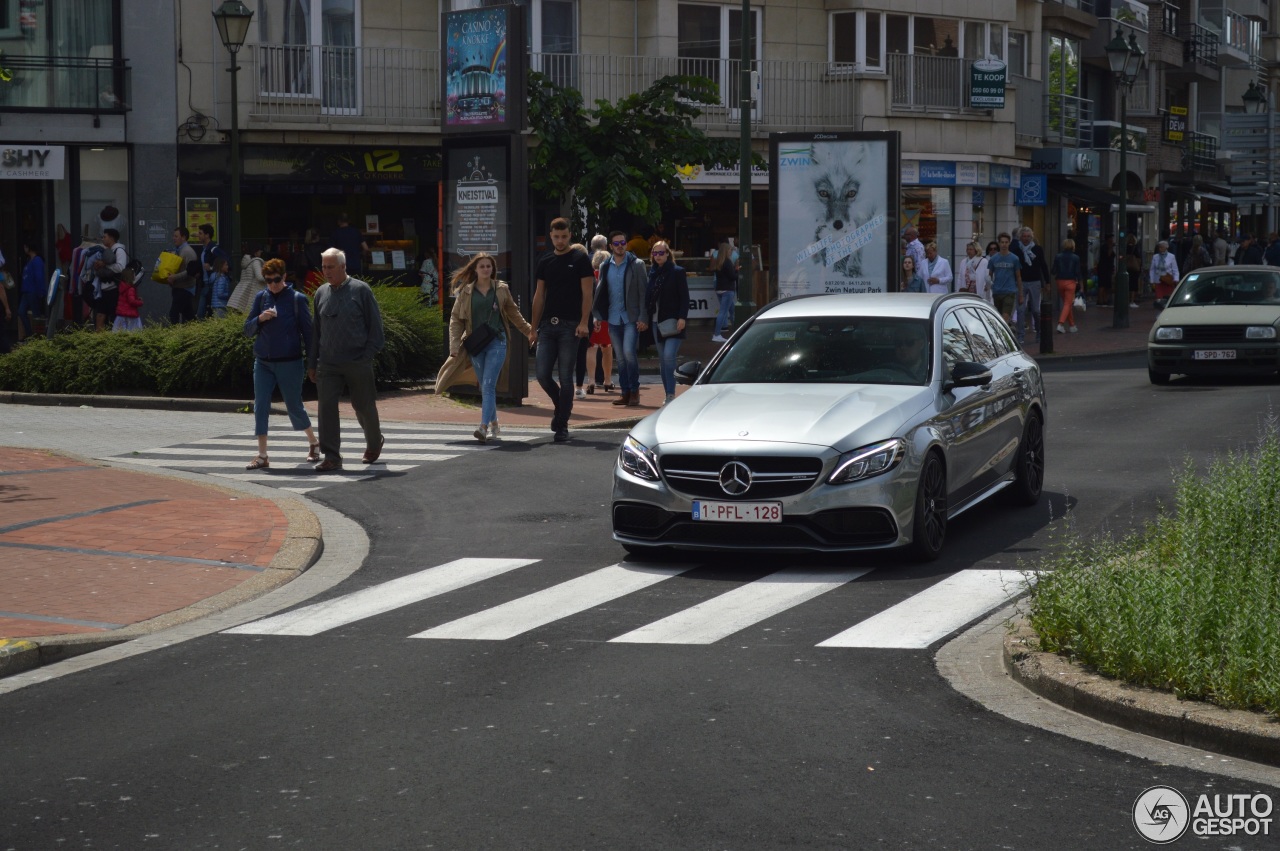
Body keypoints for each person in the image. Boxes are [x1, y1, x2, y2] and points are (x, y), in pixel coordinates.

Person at [435, 252, 535, 443]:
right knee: (485, 387)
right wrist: (454, 346)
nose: (486, 269)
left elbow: (514, 313)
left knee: (488, 385)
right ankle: (495, 422)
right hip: (475, 344)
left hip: (497, 341)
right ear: (475, 269)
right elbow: (456, 320)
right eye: (482, 266)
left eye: (489, 266)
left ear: (493, 269)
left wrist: (529, 331)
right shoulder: (465, 292)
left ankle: (483, 427)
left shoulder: (501, 289)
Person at [308, 247, 386, 471]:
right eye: (323, 267)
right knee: (327, 409)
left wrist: (367, 354)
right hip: (328, 363)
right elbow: (316, 331)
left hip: (357, 360)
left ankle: (374, 442)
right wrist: (312, 362)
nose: (326, 271)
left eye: (330, 267)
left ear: (343, 267)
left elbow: (376, 328)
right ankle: (332, 456)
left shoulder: (361, 290)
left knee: (363, 406)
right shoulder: (321, 293)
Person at [243, 258, 319, 470]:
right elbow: (247, 330)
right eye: (268, 280)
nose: (273, 284)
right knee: (261, 405)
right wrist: (260, 318)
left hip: (290, 362)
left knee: (294, 405)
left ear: (285, 277)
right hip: (264, 362)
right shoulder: (262, 297)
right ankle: (262, 454)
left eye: (277, 279)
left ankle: (313, 441)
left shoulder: (297, 299)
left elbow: (309, 333)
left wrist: (313, 363)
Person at [531, 217, 594, 443]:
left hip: (571, 325)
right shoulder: (545, 260)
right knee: (542, 374)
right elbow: (539, 295)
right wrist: (533, 327)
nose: (560, 240)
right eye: (556, 237)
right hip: (548, 325)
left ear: (570, 235)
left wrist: (584, 321)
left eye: (564, 236)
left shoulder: (580, 258)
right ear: (550, 236)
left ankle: (562, 425)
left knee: (566, 376)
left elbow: (588, 293)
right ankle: (561, 409)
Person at [593, 229, 647, 407]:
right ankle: (625, 392)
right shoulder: (605, 266)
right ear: (611, 246)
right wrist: (598, 316)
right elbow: (601, 293)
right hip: (613, 317)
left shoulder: (636, 264)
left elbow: (643, 292)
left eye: (623, 243)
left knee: (629, 353)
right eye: (616, 243)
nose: (620, 246)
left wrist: (642, 316)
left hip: (631, 317)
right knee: (621, 358)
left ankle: (634, 390)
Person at [646, 239, 689, 406]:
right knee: (663, 360)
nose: (658, 256)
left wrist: (682, 317)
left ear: (667, 254)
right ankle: (668, 393)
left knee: (669, 356)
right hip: (657, 322)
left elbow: (684, 297)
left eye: (661, 253)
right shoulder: (652, 273)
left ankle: (671, 394)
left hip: (673, 321)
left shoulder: (677, 271)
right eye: (655, 253)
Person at [585, 235, 614, 394]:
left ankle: (590, 381)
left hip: (591, 316)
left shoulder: (589, 278)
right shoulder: (609, 278)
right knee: (607, 348)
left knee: (591, 348)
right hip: (606, 316)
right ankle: (607, 380)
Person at [1014, 227, 1051, 344]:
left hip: (1035, 282)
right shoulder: (1016, 249)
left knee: (1036, 309)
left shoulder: (1037, 249)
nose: (1026, 238)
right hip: (1021, 282)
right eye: (1024, 236)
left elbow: (1043, 265)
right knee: (1020, 310)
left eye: (1028, 236)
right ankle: (1020, 335)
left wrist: (1047, 282)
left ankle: (1039, 332)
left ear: (1032, 237)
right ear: (1020, 237)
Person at [92, 229, 127, 332]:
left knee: (113, 315)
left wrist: (105, 264)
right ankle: (100, 338)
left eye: (105, 237)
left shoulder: (119, 250)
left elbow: (121, 267)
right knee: (100, 314)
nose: (103, 239)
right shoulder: (104, 251)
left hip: (114, 288)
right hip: (103, 289)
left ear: (112, 238)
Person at [988, 232, 1023, 331]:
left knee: (1004, 317)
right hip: (997, 291)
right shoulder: (994, 259)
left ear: (1009, 243)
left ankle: (1004, 337)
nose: (1004, 244)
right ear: (999, 243)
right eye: (1002, 242)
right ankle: (1005, 334)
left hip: (1009, 291)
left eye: (1006, 242)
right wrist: (988, 285)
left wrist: (1021, 294)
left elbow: (1018, 277)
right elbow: (989, 275)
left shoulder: (1014, 259)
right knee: (999, 318)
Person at [166, 227, 200, 323]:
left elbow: (191, 271)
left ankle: (175, 336)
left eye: (176, 236)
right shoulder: (179, 250)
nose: (174, 238)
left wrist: (174, 277)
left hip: (185, 289)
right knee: (189, 316)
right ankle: (199, 333)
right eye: (173, 236)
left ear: (184, 237)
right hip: (180, 288)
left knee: (173, 314)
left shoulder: (188, 251)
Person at [16, 241, 45, 342]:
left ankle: (37, 337)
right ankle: (30, 334)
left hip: (33, 291)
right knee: (21, 311)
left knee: (36, 314)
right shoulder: (29, 260)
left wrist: (41, 291)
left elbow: (39, 277)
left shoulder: (37, 260)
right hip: (26, 291)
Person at [196, 223, 227, 319]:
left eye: (200, 233)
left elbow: (224, 262)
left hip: (211, 284)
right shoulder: (204, 249)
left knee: (204, 312)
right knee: (203, 312)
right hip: (205, 283)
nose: (198, 235)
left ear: (207, 235)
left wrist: (211, 268)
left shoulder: (213, 249)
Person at [1051, 238, 1082, 334]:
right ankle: (1060, 324)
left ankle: (1072, 325)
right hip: (1071, 282)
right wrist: (1081, 285)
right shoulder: (1076, 258)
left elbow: (1053, 271)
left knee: (1066, 304)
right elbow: (1078, 272)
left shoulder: (1058, 256)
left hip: (1060, 281)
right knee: (1067, 304)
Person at [227, 243, 266, 314]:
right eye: (260, 251)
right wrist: (270, 279)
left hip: (242, 290)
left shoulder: (246, 261)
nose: (261, 253)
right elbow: (260, 277)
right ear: (256, 251)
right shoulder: (256, 261)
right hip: (251, 291)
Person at [712, 239, 737, 343]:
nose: (731, 251)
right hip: (728, 290)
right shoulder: (727, 262)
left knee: (732, 311)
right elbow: (732, 276)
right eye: (730, 250)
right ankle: (717, 334)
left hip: (720, 289)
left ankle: (737, 331)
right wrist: (737, 272)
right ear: (727, 251)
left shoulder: (719, 262)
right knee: (724, 312)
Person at [111, 263, 143, 332]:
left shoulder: (122, 287)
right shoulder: (130, 288)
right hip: (130, 315)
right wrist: (140, 302)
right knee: (133, 333)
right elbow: (131, 301)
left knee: (120, 333)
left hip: (121, 314)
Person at [1096, 234, 1116, 306]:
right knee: (1102, 285)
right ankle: (1100, 300)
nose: (1112, 240)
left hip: (1108, 269)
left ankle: (1105, 299)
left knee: (1107, 285)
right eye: (1111, 239)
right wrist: (1111, 247)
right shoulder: (1104, 247)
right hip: (1103, 268)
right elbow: (1108, 255)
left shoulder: (1108, 247)